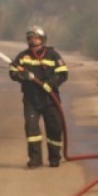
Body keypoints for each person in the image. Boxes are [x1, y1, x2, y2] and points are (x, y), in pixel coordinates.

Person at [8, 25, 69, 168]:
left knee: (54, 128)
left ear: (42, 39)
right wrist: (20, 75)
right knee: (32, 129)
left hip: (50, 99)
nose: (33, 41)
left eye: (36, 38)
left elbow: (63, 73)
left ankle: (54, 158)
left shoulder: (53, 55)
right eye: (30, 38)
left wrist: (51, 83)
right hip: (31, 100)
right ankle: (35, 159)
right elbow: (12, 72)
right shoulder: (23, 56)